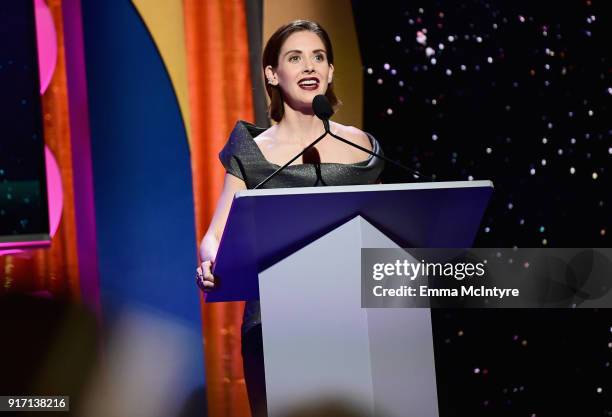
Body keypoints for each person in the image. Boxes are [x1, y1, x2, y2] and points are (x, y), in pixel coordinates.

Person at [195, 20, 384, 417]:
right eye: (295, 58)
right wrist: (211, 261)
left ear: (331, 71)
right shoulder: (252, 151)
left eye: (318, 57)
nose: (310, 67)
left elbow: (385, 231)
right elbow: (216, 234)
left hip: (353, 318)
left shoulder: (361, 146)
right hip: (273, 323)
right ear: (272, 74)